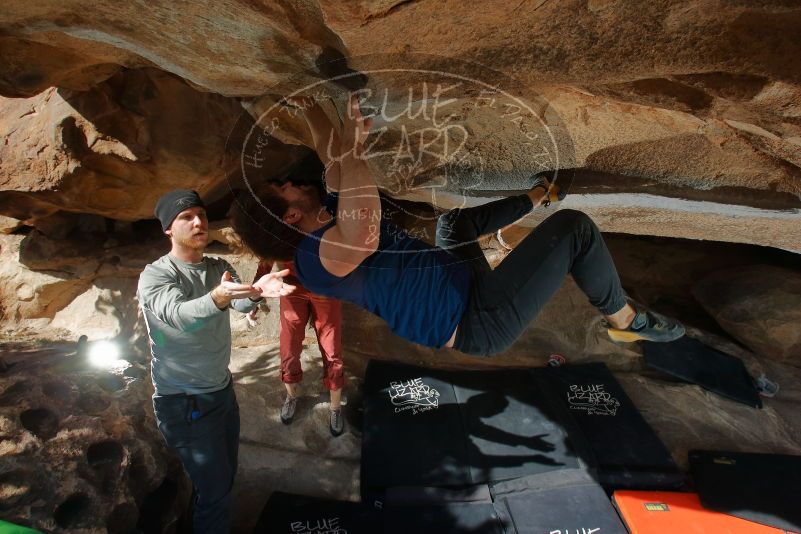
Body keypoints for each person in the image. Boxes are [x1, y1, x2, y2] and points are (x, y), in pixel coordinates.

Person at [231, 95, 684, 359]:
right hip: (476, 321)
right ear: (290, 216)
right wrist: (353, 149)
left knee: (452, 226)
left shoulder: (326, 211)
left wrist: (308, 101)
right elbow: (364, 227)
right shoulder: (315, 259)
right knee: (575, 230)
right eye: (283, 188)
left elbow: (330, 153)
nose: (290, 181)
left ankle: (538, 194)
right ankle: (626, 319)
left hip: (460, 280)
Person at [137, 189, 295, 533]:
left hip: (222, 393)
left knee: (222, 481)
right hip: (185, 403)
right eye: (186, 217)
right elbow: (182, 316)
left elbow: (235, 301)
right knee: (216, 493)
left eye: (202, 215)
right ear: (168, 228)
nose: (198, 222)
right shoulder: (156, 275)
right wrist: (219, 296)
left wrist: (253, 293)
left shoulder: (218, 267)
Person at [248, 258, 345, 436]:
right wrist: (255, 297)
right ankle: (292, 396)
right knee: (289, 346)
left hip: (325, 285)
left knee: (331, 347)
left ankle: (336, 407)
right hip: (292, 286)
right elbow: (266, 250)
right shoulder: (282, 228)